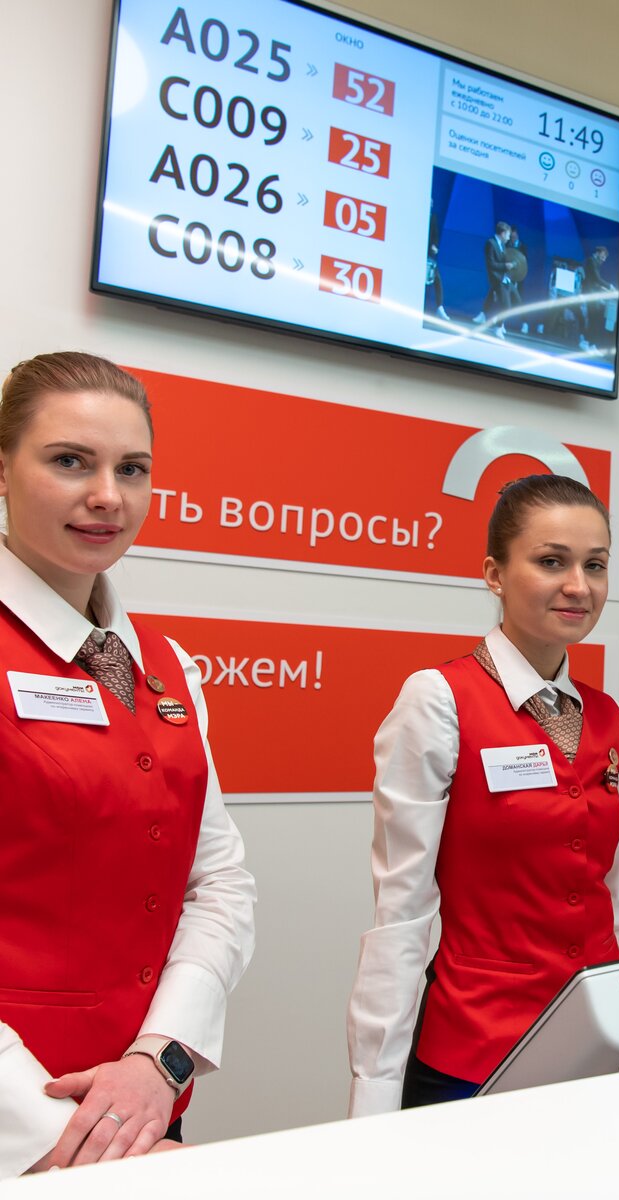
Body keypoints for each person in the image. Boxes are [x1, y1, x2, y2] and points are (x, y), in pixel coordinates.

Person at [0, 353, 255, 1178]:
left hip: (145, 1112)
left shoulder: (165, 665)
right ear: (2, 470)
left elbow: (218, 881)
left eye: (132, 468)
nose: (108, 495)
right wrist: (51, 1137)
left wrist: (159, 1062)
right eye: (70, 461)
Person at [347, 474, 619, 1113]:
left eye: (595, 565)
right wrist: (373, 1096)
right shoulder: (439, 700)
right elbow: (402, 914)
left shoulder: (608, 718)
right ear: (494, 574)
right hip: (479, 1053)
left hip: (601, 1045)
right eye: (552, 561)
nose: (579, 586)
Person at [472, 221, 516, 336]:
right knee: (507, 305)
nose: (508, 238)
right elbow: (491, 264)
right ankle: (498, 327)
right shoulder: (491, 243)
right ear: (503, 233)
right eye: (508, 235)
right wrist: (505, 266)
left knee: (504, 298)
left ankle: (484, 316)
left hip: (504, 278)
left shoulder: (502, 245)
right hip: (497, 278)